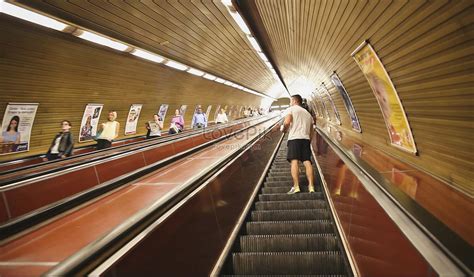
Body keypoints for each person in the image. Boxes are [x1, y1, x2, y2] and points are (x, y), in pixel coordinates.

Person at [281, 94, 315, 194]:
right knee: (307, 161)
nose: (290, 103)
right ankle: (311, 186)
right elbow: (312, 130)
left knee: (294, 161)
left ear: (294, 101)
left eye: (290, 101)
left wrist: (284, 129)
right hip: (305, 139)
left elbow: (287, 122)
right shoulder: (308, 114)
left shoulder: (291, 109)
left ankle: (296, 187)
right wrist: (309, 139)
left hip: (294, 139)